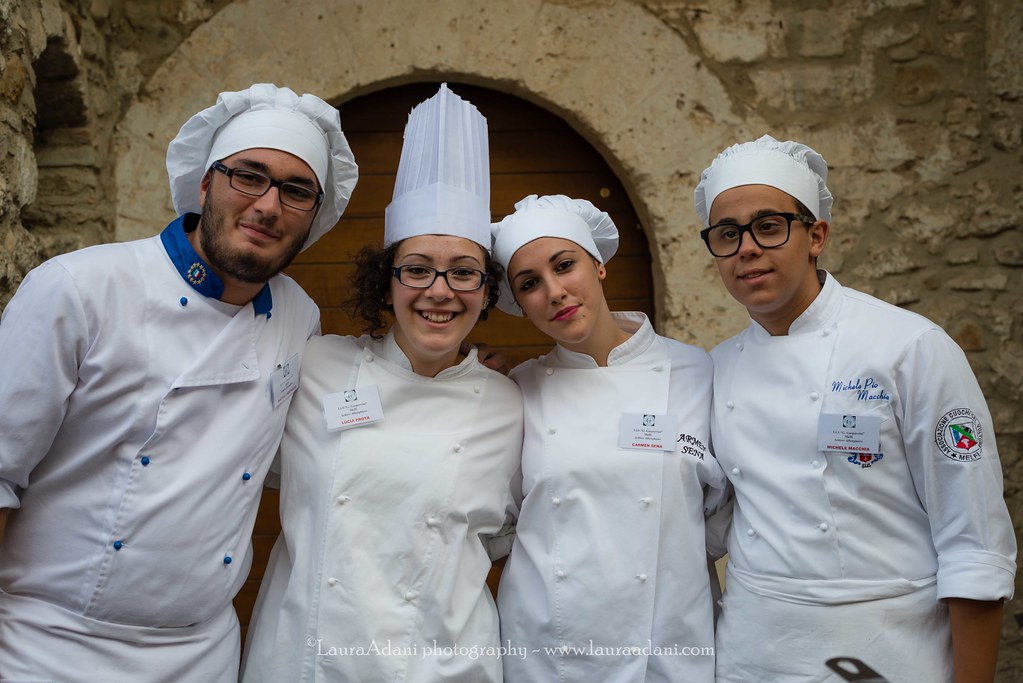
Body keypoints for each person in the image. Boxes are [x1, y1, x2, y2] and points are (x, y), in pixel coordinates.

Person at [0, 83, 358, 681]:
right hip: (47, 645)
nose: (268, 206)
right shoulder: (79, 288)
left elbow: (297, 451)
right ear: (205, 183)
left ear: (314, 216)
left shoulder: (299, 316)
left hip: (202, 655)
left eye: (297, 191)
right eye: (249, 175)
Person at [694, 135, 1017, 682]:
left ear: (816, 235)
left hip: (889, 651)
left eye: (768, 226)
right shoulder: (716, 368)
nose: (746, 248)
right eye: (727, 235)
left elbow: (974, 542)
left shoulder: (912, 348)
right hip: (755, 654)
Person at [241, 84, 524, 683]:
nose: (439, 291)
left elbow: (505, 536)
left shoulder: (511, 403)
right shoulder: (315, 364)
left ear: (485, 289)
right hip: (301, 658)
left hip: (448, 667)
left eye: (464, 272)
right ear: (387, 282)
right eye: (417, 269)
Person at [491, 194, 728, 682]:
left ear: (598, 265)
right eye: (530, 283)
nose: (554, 292)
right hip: (548, 654)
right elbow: (498, 522)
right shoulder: (519, 390)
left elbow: (722, 512)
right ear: (519, 303)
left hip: (668, 646)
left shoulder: (696, 371)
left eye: (565, 265)